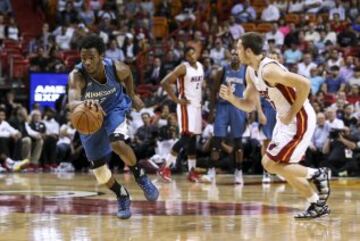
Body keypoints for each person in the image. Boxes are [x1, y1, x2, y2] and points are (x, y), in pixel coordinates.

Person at [219, 32, 331, 218]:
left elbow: (305, 84)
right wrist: (231, 99)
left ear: (248, 50)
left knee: (269, 163)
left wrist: (291, 113)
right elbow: (248, 105)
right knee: (281, 167)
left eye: (238, 47)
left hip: (299, 117)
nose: (235, 51)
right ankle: (315, 203)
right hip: (284, 119)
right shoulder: (250, 72)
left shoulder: (268, 70)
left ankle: (318, 173)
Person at [67, 34, 159, 219]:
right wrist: (84, 104)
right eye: (83, 58)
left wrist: (132, 96)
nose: (87, 62)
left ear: (101, 56)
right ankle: (122, 194)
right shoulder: (77, 76)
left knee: (117, 143)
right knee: (100, 173)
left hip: (114, 109)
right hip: (91, 117)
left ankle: (140, 175)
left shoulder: (117, 68)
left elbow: (128, 77)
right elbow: (71, 103)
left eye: (91, 58)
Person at [204, 49, 265, 184]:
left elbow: (252, 93)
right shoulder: (222, 70)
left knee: (238, 141)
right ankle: (211, 170)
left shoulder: (246, 71)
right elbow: (214, 90)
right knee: (217, 139)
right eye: (232, 54)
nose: (234, 57)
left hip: (238, 107)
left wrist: (251, 111)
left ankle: (239, 171)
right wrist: (212, 110)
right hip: (222, 107)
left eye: (237, 54)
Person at [158, 47, 204, 182]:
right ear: (185, 57)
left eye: (193, 53)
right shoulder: (182, 68)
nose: (192, 56)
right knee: (185, 137)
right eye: (189, 55)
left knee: (192, 140)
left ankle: (192, 171)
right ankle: (165, 167)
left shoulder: (200, 66)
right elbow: (164, 82)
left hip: (197, 106)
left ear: (197, 53)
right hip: (186, 106)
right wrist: (176, 99)